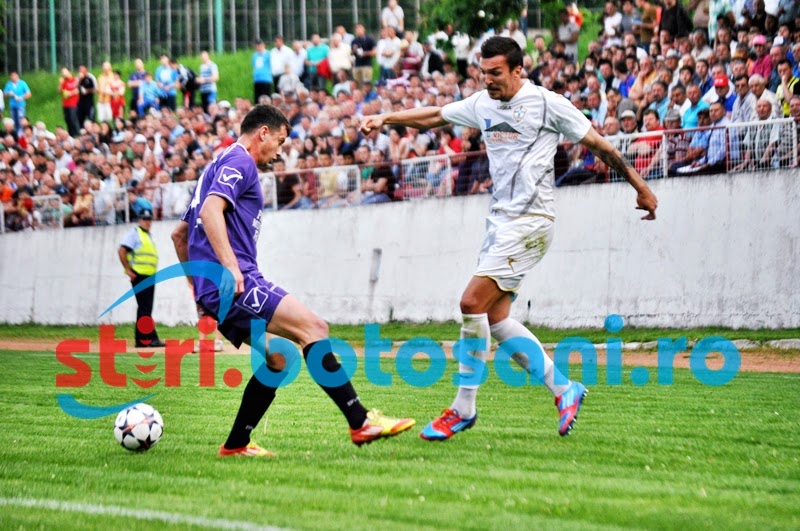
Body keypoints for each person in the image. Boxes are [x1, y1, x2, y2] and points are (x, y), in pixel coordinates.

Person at [360, 37, 658, 440]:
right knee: (495, 318)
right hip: (500, 223)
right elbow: (435, 116)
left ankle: (463, 408)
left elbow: (600, 145)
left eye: (496, 73)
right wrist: (386, 118)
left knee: (471, 303)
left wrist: (641, 187)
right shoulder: (483, 103)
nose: (488, 80)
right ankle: (564, 389)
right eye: (484, 73)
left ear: (519, 70)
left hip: (531, 221)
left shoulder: (547, 103)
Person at [171, 104, 415, 456]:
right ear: (263, 133)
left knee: (280, 357)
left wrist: (199, 294)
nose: (279, 151)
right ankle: (361, 421)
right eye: (280, 141)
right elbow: (211, 211)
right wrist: (230, 267)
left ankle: (236, 444)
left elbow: (180, 235)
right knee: (314, 328)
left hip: (216, 290)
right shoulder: (240, 161)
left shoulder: (214, 166)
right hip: (237, 281)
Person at [118, 209, 166, 348]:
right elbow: (122, 250)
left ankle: (142, 340)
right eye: (145, 219)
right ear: (139, 220)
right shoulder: (135, 233)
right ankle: (148, 339)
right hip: (139, 275)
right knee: (145, 308)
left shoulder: (147, 235)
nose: (147, 222)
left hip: (148, 276)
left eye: (149, 219)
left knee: (145, 308)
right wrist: (128, 270)